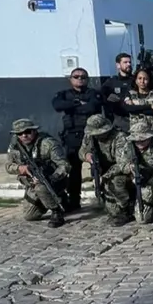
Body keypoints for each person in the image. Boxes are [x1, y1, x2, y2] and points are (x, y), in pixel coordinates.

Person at [50, 67, 104, 211]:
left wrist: (73, 107)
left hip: (92, 135)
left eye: (83, 77)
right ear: (70, 79)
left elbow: (92, 107)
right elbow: (57, 105)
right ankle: (74, 199)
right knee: (74, 170)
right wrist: (77, 103)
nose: (80, 79)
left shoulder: (93, 93)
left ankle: (104, 196)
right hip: (72, 137)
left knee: (98, 166)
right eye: (76, 76)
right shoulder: (63, 94)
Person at [4, 118, 68, 228]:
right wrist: (20, 168)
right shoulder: (14, 145)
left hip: (53, 180)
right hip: (31, 183)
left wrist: (53, 177)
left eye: (27, 132)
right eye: (20, 133)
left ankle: (56, 211)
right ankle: (53, 200)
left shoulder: (48, 143)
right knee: (30, 216)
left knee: (41, 187)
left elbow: (64, 165)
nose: (24, 135)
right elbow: (8, 166)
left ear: (34, 131)